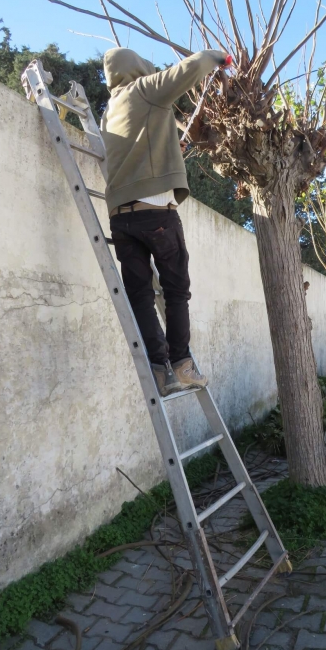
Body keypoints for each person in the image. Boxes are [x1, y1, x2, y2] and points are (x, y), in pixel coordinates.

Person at [101, 47, 229, 396]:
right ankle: (182, 365)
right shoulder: (143, 90)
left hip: (120, 218)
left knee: (141, 294)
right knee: (175, 291)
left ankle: (159, 371)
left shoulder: (109, 110)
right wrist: (218, 57)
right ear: (136, 67)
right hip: (157, 213)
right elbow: (194, 66)